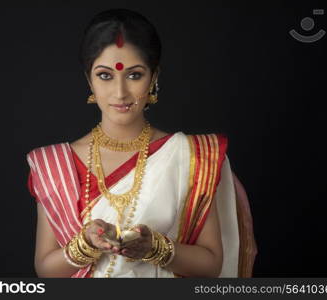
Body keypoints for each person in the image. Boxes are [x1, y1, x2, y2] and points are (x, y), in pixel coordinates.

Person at [26, 8, 257, 278]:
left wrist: (154, 247)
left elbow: (211, 264)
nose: (120, 92)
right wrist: (85, 245)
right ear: (89, 79)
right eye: (105, 75)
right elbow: (45, 269)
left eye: (134, 75)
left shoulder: (190, 157)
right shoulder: (53, 165)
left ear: (154, 77)